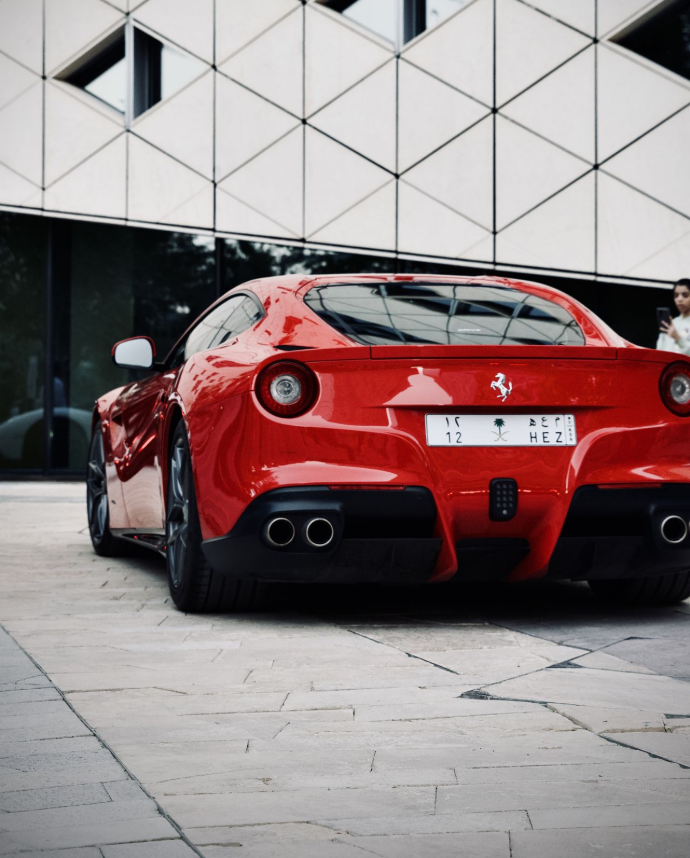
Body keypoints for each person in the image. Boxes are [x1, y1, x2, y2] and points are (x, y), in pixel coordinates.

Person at [657, 278, 690, 355]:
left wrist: (678, 338)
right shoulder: (671, 323)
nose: (679, 299)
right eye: (676, 295)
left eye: (685, 295)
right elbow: (659, 350)